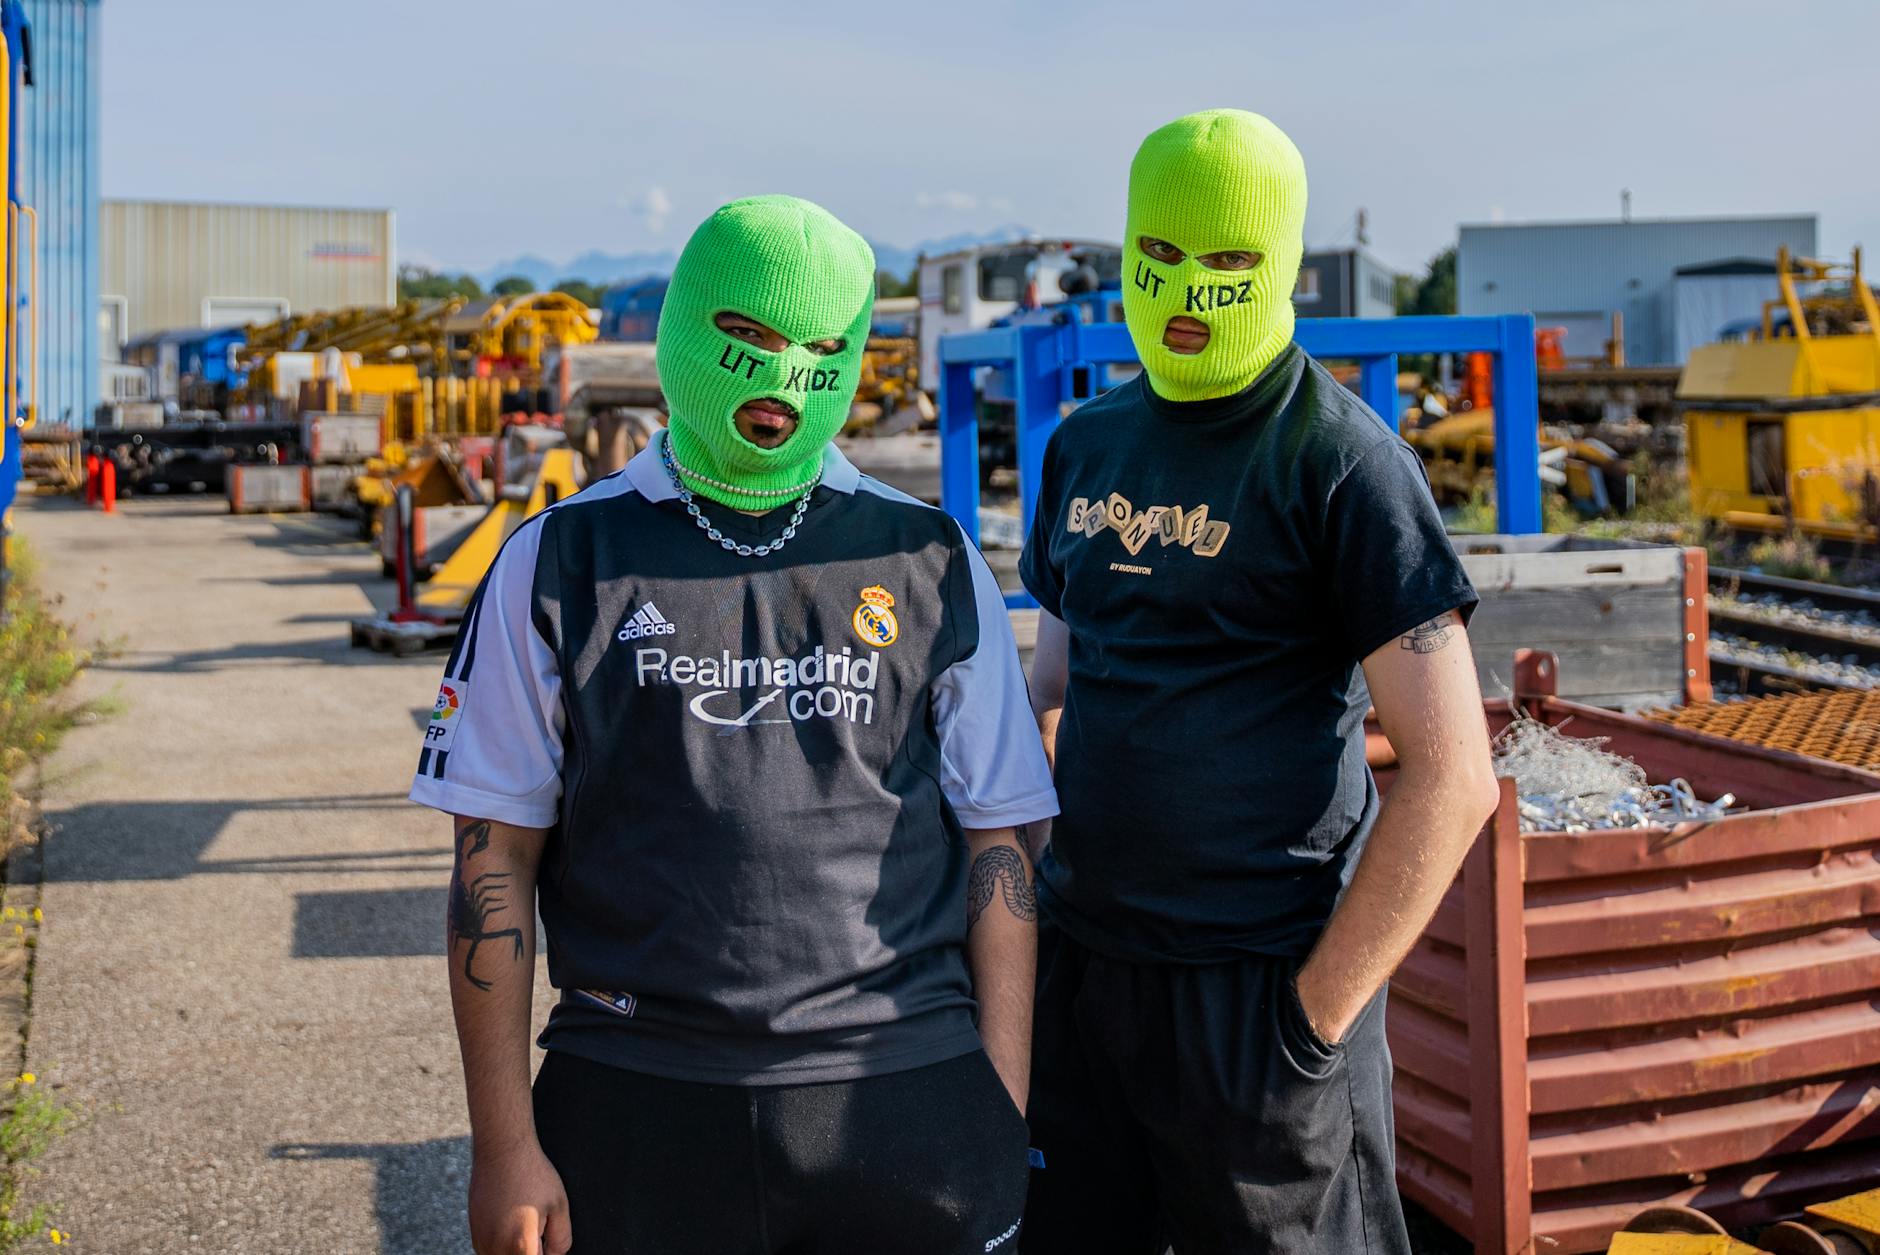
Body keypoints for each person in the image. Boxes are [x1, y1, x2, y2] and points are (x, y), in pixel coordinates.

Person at [410, 195, 1056, 1255]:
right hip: (635, 1096)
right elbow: (492, 859)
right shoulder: (556, 560)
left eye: (819, 350)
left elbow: (1000, 843)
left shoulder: (931, 558)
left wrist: (999, 1103)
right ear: (682, 329)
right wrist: (502, 1146)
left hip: (905, 1095)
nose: (782, 381)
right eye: (748, 339)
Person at [1017, 110, 1501, 1254]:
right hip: (1086, 978)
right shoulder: (1084, 445)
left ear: (1279, 263)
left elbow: (1452, 776)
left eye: (1230, 263)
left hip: (1260, 993)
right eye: (1162, 257)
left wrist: (1314, 1018)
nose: (1190, 290)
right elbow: (1054, 687)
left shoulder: (1340, 461)